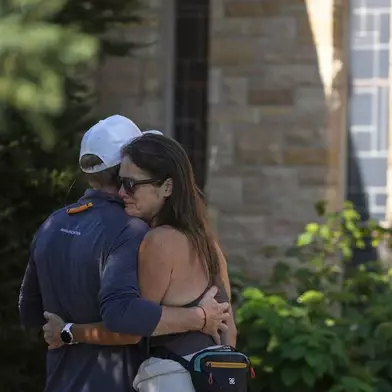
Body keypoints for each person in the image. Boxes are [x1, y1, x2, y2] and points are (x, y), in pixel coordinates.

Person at [18, 115, 232, 392]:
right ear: (126, 165)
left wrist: (65, 330)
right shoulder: (137, 231)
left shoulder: (51, 224)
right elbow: (128, 322)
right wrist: (200, 317)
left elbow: (29, 313)